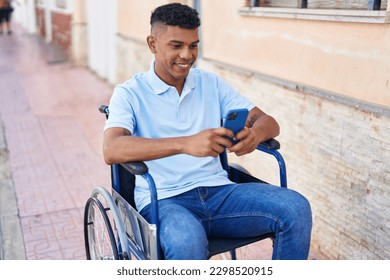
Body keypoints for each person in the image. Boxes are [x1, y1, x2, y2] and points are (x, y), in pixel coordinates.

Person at [103, 3, 312, 260]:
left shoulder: (210, 83)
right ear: (153, 44)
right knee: (187, 241)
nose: (187, 55)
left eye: (193, 45)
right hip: (165, 201)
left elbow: (269, 122)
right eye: (176, 45)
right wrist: (185, 144)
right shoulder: (129, 93)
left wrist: (254, 135)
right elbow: (111, 149)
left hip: (220, 192)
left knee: (296, 208)